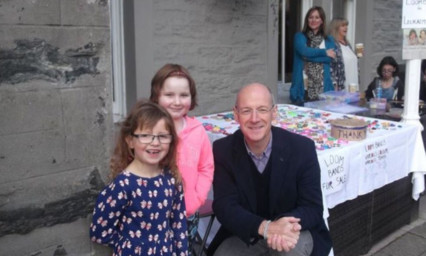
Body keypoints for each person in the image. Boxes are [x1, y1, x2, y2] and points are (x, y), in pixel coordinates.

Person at [209, 83, 332, 256]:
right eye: (246, 111)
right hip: (248, 232)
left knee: (287, 252)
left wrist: (283, 227)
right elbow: (224, 206)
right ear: (236, 114)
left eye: (262, 109)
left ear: (274, 112)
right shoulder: (223, 150)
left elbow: (312, 207)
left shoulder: (302, 148)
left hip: (294, 232)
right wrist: (266, 228)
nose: (254, 118)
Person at [89, 100, 188, 256]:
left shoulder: (171, 179)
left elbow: (179, 225)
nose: (155, 143)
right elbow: (99, 232)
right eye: (146, 136)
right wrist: (131, 243)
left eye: (162, 136)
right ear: (130, 141)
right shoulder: (123, 186)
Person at [150, 63, 214, 254]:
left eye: (183, 95)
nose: (177, 102)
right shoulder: (148, 131)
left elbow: (206, 167)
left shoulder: (198, 131)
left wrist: (197, 197)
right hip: (153, 215)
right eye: (169, 95)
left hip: (187, 213)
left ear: (191, 97)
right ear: (156, 97)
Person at [290, 6, 337, 105]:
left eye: (317, 17)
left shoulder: (329, 40)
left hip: (324, 91)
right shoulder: (300, 36)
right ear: (307, 19)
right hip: (303, 90)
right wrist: (324, 52)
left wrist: (308, 57)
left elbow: (330, 59)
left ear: (322, 20)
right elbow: (304, 51)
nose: (313, 20)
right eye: (311, 17)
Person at [328, 17, 359, 91]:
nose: (346, 28)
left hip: (353, 83)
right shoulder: (332, 44)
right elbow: (331, 66)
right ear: (336, 28)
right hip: (342, 86)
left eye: (346, 25)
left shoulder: (348, 44)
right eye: (343, 26)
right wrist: (334, 84)